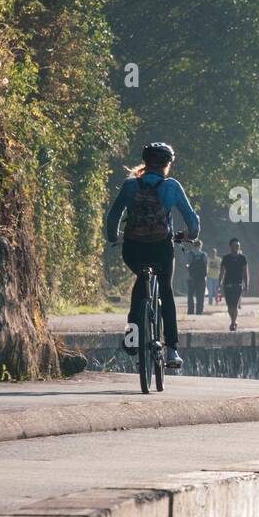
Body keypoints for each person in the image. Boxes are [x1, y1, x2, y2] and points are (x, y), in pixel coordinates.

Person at [106, 142, 199, 369]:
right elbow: (193, 222)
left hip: (133, 248)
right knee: (165, 291)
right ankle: (172, 351)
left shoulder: (130, 185)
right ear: (167, 165)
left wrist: (114, 237)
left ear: (145, 163)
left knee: (140, 285)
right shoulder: (171, 186)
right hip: (161, 247)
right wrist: (188, 235)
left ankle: (131, 339)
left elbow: (113, 217)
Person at [219, 237, 248, 331]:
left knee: (235, 305)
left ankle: (232, 324)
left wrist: (246, 285)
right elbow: (222, 271)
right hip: (227, 284)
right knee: (229, 306)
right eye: (235, 245)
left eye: (238, 245)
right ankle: (234, 321)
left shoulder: (242, 258)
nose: (237, 247)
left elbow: (245, 272)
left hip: (238, 284)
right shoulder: (226, 258)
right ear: (230, 246)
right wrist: (219, 283)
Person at [185, 239, 209, 315]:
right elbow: (206, 266)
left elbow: (187, 264)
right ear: (201, 245)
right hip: (201, 278)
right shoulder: (204, 255)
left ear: (193, 245)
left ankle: (190, 311)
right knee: (200, 296)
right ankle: (199, 311)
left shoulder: (190, 253)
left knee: (190, 296)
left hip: (191, 277)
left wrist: (188, 272)